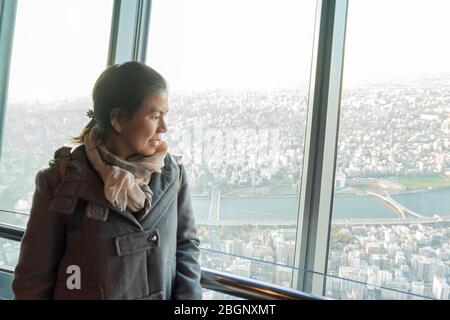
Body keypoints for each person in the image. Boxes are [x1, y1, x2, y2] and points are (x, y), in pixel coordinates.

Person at [12, 61, 202, 300]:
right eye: (155, 116)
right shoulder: (59, 183)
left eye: (164, 115)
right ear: (118, 120)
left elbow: (186, 248)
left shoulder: (172, 174)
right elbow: (34, 279)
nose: (164, 127)